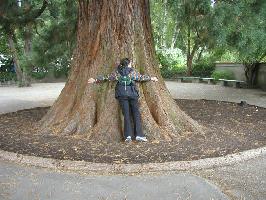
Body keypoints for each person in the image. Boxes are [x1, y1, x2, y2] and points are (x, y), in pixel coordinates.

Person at [88, 58, 158, 142]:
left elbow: (107, 77)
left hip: (121, 95)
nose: (131, 65)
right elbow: (141, 78)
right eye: (130, 63)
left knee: (126, 115)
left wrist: (95, 80)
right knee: (136, 114)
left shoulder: (117, 72)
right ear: (128, 64)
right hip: (132, 95)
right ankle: (139, 135)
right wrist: (151, 78)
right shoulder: (132, 72)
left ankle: (128, 136)